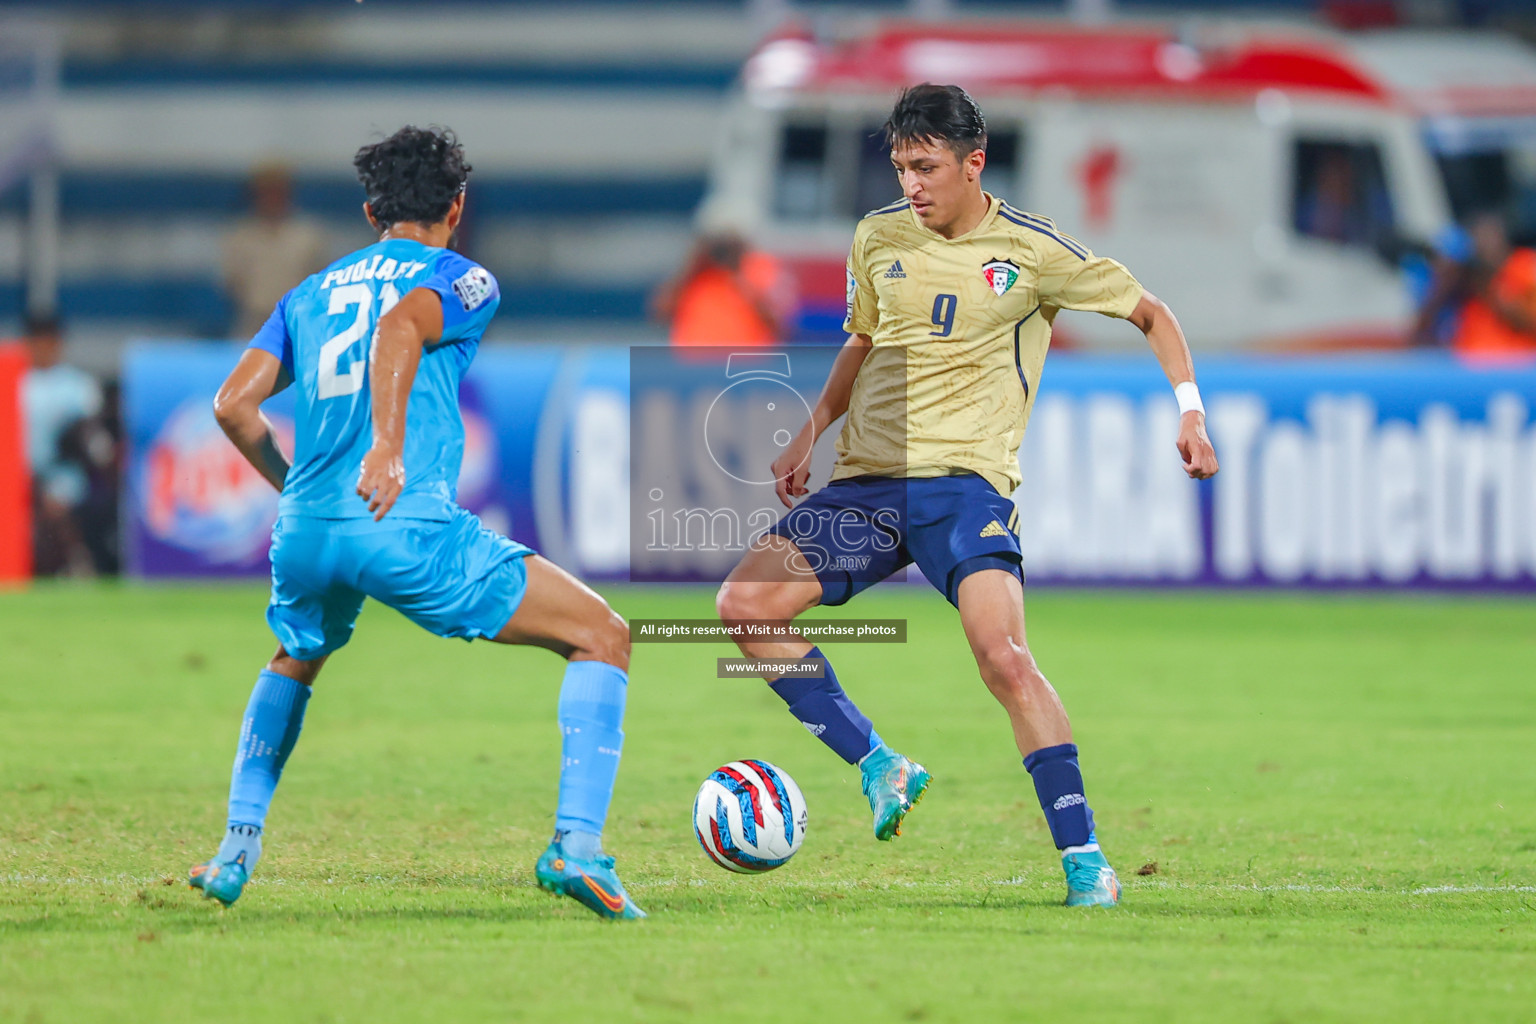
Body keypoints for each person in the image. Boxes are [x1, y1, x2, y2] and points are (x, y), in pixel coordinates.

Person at [714, 84, 1219, 908]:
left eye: (927, 166)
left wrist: (1190, 415)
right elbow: (863, 341)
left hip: (963, 488)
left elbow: (1152, 315)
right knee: (745, 607)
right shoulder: (877, 237)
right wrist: (813, 431)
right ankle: (880, 765)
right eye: (902, 166)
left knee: (1003, 658)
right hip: (868, 486)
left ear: (973, 163)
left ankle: (1085, 859)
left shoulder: (1033, 250)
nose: (912, 183)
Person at [190, 126, 644, 920]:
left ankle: (235, 846)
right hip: (400, 522)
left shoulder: (311, 290)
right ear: (457, 207)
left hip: (305, 531)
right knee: (602, 634)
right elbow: (401, 327)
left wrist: (295, 487)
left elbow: (233, 407)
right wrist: (388, 451)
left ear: (371, 210)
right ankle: (578, 849)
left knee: (297, 655)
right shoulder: (462, 277)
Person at [20, 314, 102, 576]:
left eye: (48, 341)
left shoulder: (76, 386)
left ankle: (77, 563)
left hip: (64, 475)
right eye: (37, 341)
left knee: (58, 499)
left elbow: (91, 441)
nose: (42, 348)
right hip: (17, 478)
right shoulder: (15, 381)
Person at [222, 163, 332, 340]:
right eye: (266, 192)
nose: (271, 198)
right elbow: (232, 282)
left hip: (297, 322)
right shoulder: (240, 236)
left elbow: (320, 281)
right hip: (253, 323)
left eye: (277, 192)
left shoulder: (308, 236)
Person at [651, 230, 794, 346]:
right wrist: (693, 267)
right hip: (696, 366)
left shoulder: (759, 267)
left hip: (747, 366)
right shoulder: (695, 274)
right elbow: (660, 312)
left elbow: (779, 322)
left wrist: (737, 274)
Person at [1450, 212, 1536, 358]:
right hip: (1470, 368)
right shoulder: (1466, 276)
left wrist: (1492, 284)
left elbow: (1527, 320)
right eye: (1476, 238)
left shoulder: (1524, 265)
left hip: (1520, 366)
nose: (1482, 245)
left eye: (1488, 237)